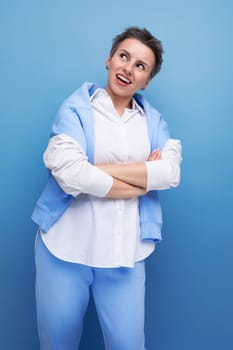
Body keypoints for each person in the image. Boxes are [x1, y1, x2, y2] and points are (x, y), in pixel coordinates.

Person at [32, 26, 182, 350]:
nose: (128, 68)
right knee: (56, 344)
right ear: (109, 59)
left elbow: (169, 173)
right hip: (64, 251)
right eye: (123, 56)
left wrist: (95, 172)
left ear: (146, 80)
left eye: (140, 65)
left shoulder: (152, 123)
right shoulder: (76, 109)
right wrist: (140, 179)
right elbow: (69, 174)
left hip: (123, 255)